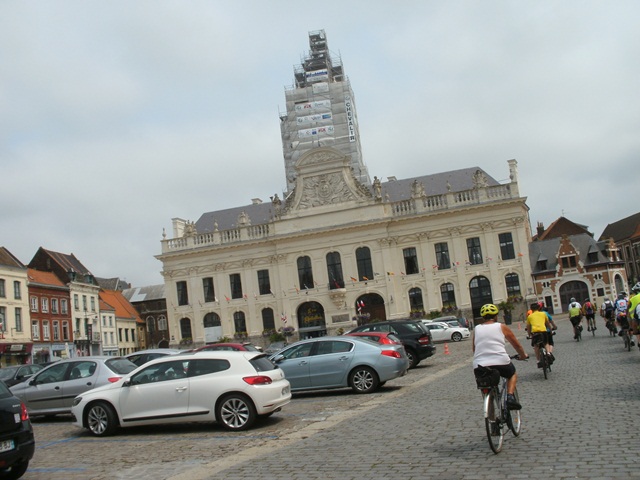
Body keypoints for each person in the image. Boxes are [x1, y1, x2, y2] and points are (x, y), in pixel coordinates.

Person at [473, 303, 528, 410]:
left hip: (480, 364)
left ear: (483, 317)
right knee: (512, 374)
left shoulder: (476, 329)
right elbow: (516, 344)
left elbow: (474, 349)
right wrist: (523, 355)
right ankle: (510, 396)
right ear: (496, 316)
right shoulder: (501, 326)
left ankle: (491, 417)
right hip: (501, 361)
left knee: (486, 387)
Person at [526, 302, 554, 367]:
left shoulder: (530, 316)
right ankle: (548, 353)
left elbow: (528, 327)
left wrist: (529, 334)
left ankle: (538, 360)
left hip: (535, 332)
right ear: (539, 308)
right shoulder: (543, 314)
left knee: (536, 346)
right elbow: (548, 324)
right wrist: (551, 331)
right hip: (543, 331)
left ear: (531, 309)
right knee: (546, 343)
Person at [627, 283, 640, 349]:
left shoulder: (632, 299)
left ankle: (638, 342)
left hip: (635, 319)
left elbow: (628, 308)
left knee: (636, 331)